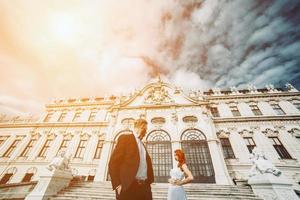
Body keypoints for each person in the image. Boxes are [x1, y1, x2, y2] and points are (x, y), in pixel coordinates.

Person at [108, 118, 154, 200]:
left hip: (145, 188)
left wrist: (149, 183)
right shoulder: (125, 138)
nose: (146, 132)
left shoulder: (142, 145)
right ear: (139, 127)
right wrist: (117, 185)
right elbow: (113, 162)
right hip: (129, 187)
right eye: (145, 129)